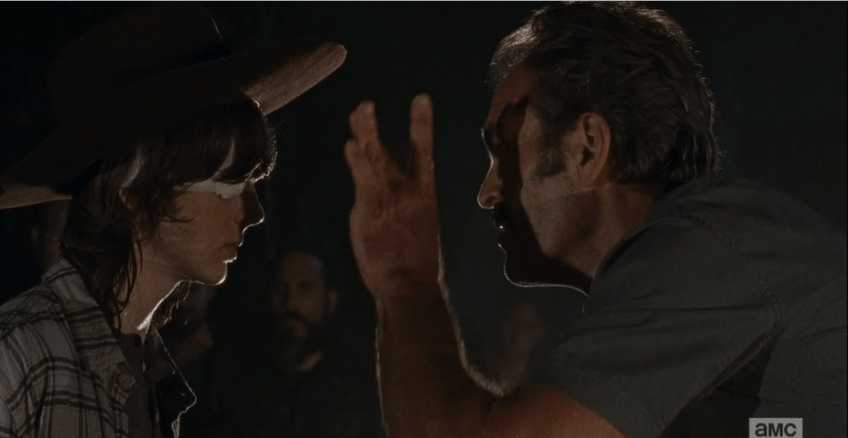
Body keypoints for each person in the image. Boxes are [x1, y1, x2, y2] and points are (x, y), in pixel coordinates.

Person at [343, 2, 846, 438]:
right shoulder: (703, 262)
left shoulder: (709, 249)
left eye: (505, 152)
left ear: (587, 147)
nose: (487, 192)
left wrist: (404, 279)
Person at [0, 4, 345, 438]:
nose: (253, 214)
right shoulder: (17, 357)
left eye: (253, 184)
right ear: (133, 192)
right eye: (228, 185)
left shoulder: (152, 375)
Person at [180, 244, 385, 438]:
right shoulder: (234, 381)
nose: (290, 302)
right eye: (280, 288)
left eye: (305, 289)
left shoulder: (358, 390)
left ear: (330, 300)